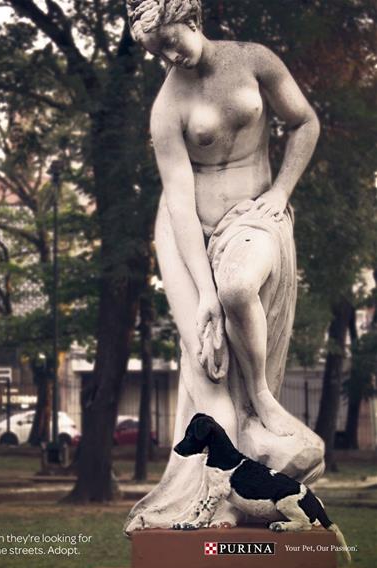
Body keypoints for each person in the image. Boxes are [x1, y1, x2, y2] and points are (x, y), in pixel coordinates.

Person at [124, 0, 325, 533]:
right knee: (207, 360)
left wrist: (281, 192)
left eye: (171, 42)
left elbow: (304, 122)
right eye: (157, 53)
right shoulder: (168, 107)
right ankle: (221, 498)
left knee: (237, 288)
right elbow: (179, 201)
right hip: (186, 232)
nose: (169, 57)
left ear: (192, 22)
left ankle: (260, 395)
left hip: (253, 216)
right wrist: (202, 292)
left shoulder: (254, 60)